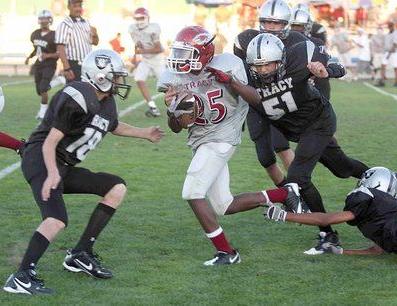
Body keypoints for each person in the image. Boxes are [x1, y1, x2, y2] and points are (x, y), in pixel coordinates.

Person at [2, 49, 164, 295]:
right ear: (100, 76)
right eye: (116, 76)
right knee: (56, 220)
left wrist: (144, 133)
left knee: (115, 188)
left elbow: (113, 126)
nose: (120, 81)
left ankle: (80, 253)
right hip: (42, 158)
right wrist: (53, 173)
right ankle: (21, 277)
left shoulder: (106, 102)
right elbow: (50, 141)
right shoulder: (78, 97)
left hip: (62, 165)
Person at [158, 26, 307, 266]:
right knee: (223, 205)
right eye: (179, 53)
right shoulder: (173, 78)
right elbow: (176, 128)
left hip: (222, 138)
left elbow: (256, 99)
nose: (180, 59)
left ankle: (227, 253)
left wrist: (231, 82)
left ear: (204, 53)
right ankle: (284, 193)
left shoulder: (228, 64)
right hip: (200, 140)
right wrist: (173, 111)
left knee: (192, 192)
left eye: (187, 54)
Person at [240, 33, 369, 254]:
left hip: (319, 122)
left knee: (298, 177)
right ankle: (386, 179)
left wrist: (325, 71)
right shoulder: (246, 78)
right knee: (342, 168)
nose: (262, 71)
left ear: (281, 60)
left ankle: (328, 234)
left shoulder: (300, 58)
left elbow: (340, 68)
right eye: (257, 66)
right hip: (297, 131)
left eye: (268, 64)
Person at [234, 0, 308, 188]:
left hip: (281, 99)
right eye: (267, 22)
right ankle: (287, 194)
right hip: (255, 102)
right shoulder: (245, 39)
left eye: (275, 23)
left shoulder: (297, 42)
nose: (270, 27)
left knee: (281, 145)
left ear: (286, 23)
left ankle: (301, 190)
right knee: (265, 157)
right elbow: (239, 75)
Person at [265, 167, 397, 256]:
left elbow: (325, 219)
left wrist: (284, 215)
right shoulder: (383, 209)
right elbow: (377, 249)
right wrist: (341, 251)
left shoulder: (369, 199)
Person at [128, 7, 164, 118]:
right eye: (137, 18)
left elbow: (159, 49)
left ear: (147, 18)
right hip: (145, 59)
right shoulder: (132, 29)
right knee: (139, 79)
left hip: (157, 60)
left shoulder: (153, 28)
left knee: (166, 85)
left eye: (142, 18)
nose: (139, 21)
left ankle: (180, 106)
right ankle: (153, 107)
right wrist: (135, 58)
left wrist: (143, 51)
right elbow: (137, 44)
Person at [25, 9, 59, 120]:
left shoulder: (54, 35)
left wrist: (48, 56)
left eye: (46, 18)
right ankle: (56, 82)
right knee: (40, 91)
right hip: (38, 64)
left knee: (43, 88)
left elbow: (59, 53)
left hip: (50, 65)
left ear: (50, 20)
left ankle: (43, 113)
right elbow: (36, 49)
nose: (44, 21)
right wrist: (29, 57)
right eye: (42, 18)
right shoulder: (35, 34)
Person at [290, 8, 330, 100]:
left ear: (307, 26)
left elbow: (322, 68)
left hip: (314, 85)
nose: (295, 29)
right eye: (293, 26)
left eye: (299, 26)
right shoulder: (282, 42)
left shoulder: (317, 43)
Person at [55, 0, 99, 82]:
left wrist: (95, 34)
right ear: (69, 7)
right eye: (75, 6)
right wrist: (67, 68)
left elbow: (95, 43)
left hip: (88, 64)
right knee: (75, 92)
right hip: (74, 64)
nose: (78, 9)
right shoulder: (65, 24)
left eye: (79, 6)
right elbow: (60, 47)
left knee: (89, 91)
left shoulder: (86, 22)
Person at [377, 22, 397, 87]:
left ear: (393, 26)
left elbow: (395, 44)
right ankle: (382, 80)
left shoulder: (395, 33)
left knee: (395, 67)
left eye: (390, 26)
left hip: (393, 53)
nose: (389, 27)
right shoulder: (388, 34)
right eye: (389, 26)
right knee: (383, 65)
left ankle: (396, 82)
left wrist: (389, 54)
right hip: (387, 52)